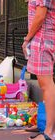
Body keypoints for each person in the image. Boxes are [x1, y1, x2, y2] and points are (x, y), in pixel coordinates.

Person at [22, 0, 55, 140]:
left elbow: (40, 15)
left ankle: (49, 132)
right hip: (42, 38)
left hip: (42, 39)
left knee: (46, 84)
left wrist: (27, 39)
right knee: (44, 85)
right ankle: (45, 124)